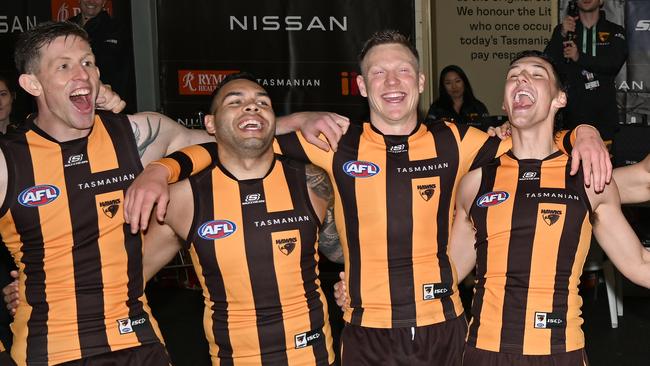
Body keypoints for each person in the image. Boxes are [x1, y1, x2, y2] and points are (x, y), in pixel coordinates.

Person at [124, 30, 610, 365]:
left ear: (421, 83)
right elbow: (233, 144)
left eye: (403, 72)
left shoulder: (458, 141)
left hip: (445, 329)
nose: (392, 82)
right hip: (365, 333)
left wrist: (582, 133)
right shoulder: (333, 140)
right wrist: (159, 169)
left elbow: (534, 144)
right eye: (378, 74)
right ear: (361, 86)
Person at [0, 21, 346, 365]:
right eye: (64, 66)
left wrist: (300, 119)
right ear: (32, 83)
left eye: (88, 63)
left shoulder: (136, 137)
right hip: (50, 349)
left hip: (137, 340)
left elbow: (230, 139)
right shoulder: (7, 161)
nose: (83, 74)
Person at [449, 50, 650, 365]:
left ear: (560, 99)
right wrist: (362, 287)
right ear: (504, 103)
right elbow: (447, 270)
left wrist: (587, 130)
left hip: (560, 351)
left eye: (536, 73)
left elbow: (640, 264)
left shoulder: (587, 177)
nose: (522, 79)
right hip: (484, 351)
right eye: (513, 75)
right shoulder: (475, 182)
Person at [142, 72, 343, 365]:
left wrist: (354, 283)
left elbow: (342, 253)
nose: (252, 107)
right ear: (209, 123)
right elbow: (124, 282)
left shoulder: (313, 184)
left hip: (315, 357)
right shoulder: (181, 199)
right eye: (235, 102)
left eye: (263, 102)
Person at [544, 0, 627, 141]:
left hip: (603, 117)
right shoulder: (563, 31)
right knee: (571, 162)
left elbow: (613, 64)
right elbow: (547, 64)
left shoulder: (615, 31)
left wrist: (579, 57)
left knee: (603, 161)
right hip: (570, 116)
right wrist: (561, 35)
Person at [68, 0, 131, 105]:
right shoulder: (66, 28)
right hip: (72, 99)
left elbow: (125, 73)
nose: (91, 1)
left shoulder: (118, 29)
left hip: (106, 102)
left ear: (104, 2)